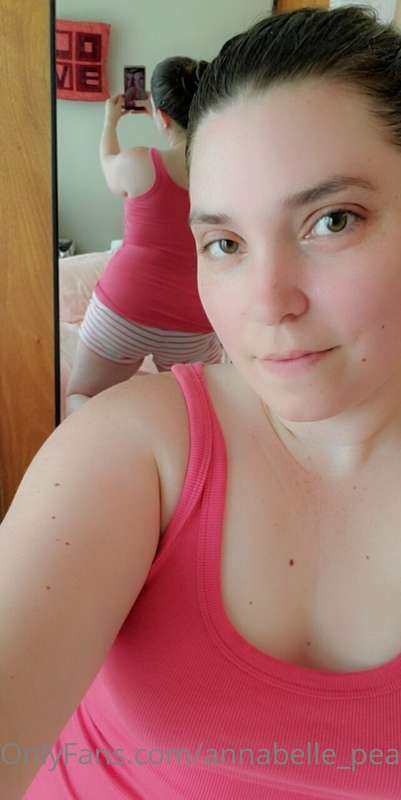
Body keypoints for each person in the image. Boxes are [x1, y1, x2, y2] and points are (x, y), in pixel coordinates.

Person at [3, 5, 401, 797]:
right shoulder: (131, 451)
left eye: (330, 220)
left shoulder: (138, 163)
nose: (267, 303)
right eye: (223, 243)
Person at [66, 56, 223, 416]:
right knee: (194, 412)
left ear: (161, 116)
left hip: (126, 304)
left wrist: (110, 121)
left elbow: (108, 165)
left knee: (80, 396)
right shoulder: (226, 174)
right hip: (194, 316)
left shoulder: (139, 163)